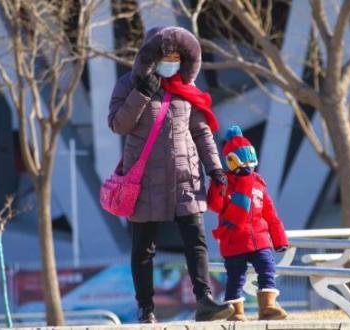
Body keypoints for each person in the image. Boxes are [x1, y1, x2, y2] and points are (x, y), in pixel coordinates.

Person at [108, 26, 233, 323]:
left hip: (184, 179)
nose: (172, 61)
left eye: (178, 56)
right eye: (167, 55)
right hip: (144, 182)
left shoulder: (187, 91)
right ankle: (146, 309)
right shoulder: (128, 85)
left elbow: (201, 132)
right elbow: (117, 124)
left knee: (196, 240)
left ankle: (204, 301)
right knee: (144, 248)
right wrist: (141, 94)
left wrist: (215, 167)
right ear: (151, 56)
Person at [207, 126, 289, 321]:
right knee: (236, 277)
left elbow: (271, 215)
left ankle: (267, 306)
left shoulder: (258, 183)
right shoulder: (224, 182)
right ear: (231, 160)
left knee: (267, 269)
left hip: (260, 240)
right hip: (234, 241)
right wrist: (216, 184)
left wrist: (279, 239)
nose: (248, 165)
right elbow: (215, 205)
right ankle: (236, 312)